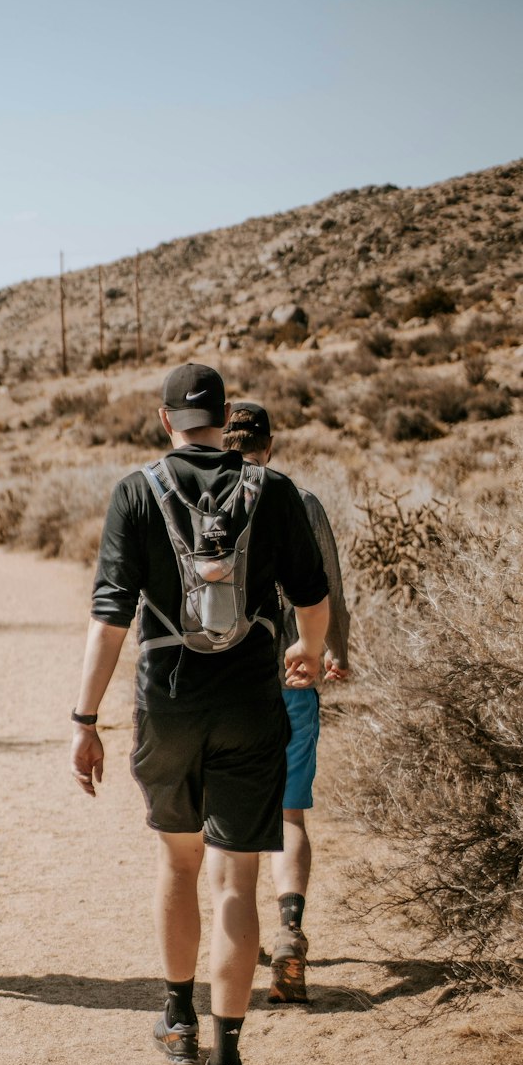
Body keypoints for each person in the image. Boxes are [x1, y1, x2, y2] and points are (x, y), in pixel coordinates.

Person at [71, 364, 329, 1065]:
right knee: (237, 882)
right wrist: (307, 650)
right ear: (224, 417)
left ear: (164, 421)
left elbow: (110, 615)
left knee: (179, 862)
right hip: (251, 703)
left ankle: (179, 1018)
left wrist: (84, 721)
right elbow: (310, 597)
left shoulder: (136, 491)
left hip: (169, 703)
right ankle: (229, 1061)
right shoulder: (271, 490)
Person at [221, 402, 352, 1004]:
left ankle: (238, 953)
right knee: (290, 816)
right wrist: (334, 651)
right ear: (270, 447)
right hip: (295, 672)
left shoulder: (202, 505)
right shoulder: (301, 503)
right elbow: (328, 587)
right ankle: (291, 928)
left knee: (232, 827)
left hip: (228, 683)